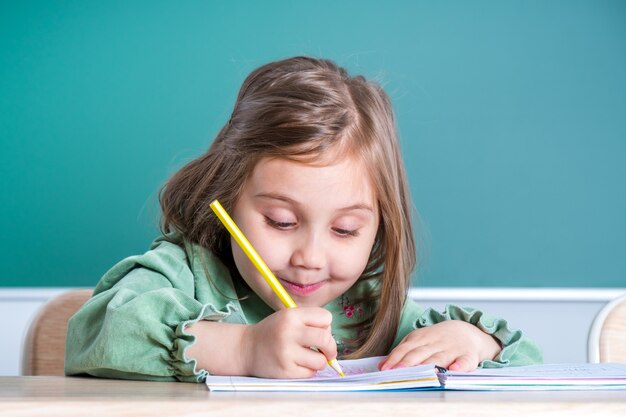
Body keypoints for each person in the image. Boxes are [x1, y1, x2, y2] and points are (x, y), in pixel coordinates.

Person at [65, 56, 542, 382]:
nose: (310, 259)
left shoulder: (370, 308)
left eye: (345, 230)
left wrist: (476, 342)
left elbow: (532, 367)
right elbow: (95, 334)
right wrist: (243, 349)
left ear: (380, 228)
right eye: (280, 221)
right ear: (228, 199)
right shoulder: (183, 274)